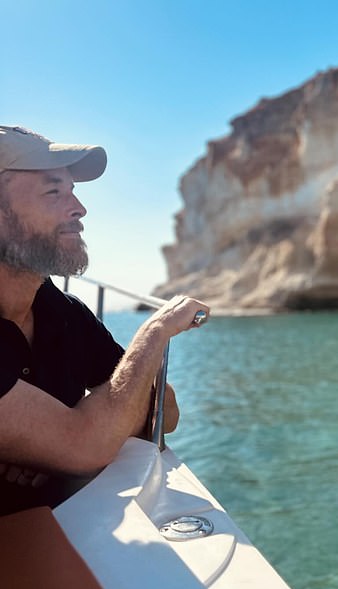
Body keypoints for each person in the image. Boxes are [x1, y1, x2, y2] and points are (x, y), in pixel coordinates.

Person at [0, 125, 209, 516]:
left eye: (73, 192)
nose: (79, 209)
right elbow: (84, 445)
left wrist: (47, 444)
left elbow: (165, 413)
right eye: (53, 192)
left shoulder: (60, 311)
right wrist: (155, 331)